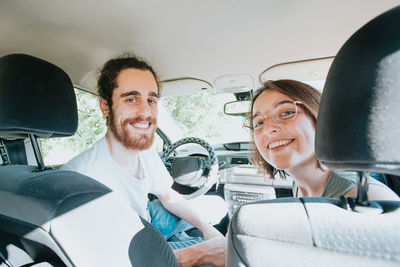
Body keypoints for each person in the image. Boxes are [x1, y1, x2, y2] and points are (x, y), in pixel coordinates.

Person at [62, 53, 226, 267]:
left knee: (217, 205)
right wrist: (200, 253)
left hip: (145, 221)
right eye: (131, 99)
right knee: (223, 254)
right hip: (129, 249)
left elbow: (168, 197)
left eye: (151, 99)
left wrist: (207, 230)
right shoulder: (81, 178)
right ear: (105, 106)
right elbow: (105, 259)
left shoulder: (144, 151)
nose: (145, 112)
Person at [244, 79, 399, 200]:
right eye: (259, 123)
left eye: (286, 113)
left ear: (320, 118)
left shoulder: (365, 196)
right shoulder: (300, 186)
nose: (268, 129)